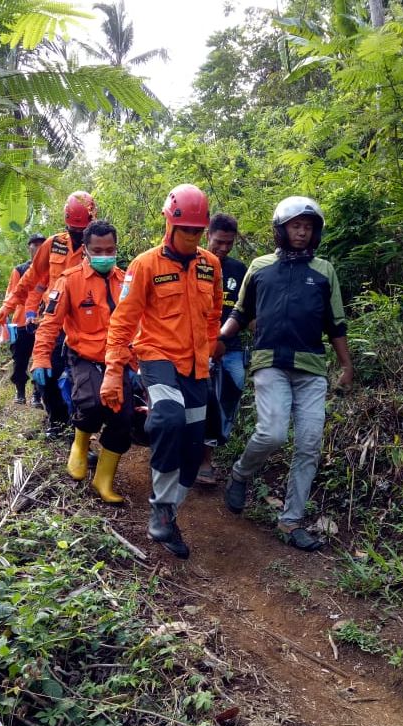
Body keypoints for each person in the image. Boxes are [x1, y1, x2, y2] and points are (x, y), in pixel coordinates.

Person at [217, 196, 354, 551]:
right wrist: (217, 341)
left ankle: (291, 521)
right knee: (273, 433)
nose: (302, 232)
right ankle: (241, 473)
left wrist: (346, 365)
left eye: (308, 227)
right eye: (295, 226)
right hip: (269, 363)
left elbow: (335, 323)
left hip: (311, 369)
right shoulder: (261, 267)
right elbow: (241, 311)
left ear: (315, 233)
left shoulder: (324, 272)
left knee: (309, 444)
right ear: (281, 229)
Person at [100, 183, 223, 559]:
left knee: (193, 445)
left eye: (198, 231)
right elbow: (123, 320)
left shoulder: (210, 265)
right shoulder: (145, 265)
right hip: (156, 356)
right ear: (170, 225)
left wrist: (210, 343)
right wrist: (112, 368)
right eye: (186, 229)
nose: (192, 237)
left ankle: (167, 510)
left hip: (196, 365)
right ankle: (152, 431)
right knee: (168, 419)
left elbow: (215, 311)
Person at [32, 220, 130, 503]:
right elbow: (50, 323)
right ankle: (80, 443)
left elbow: (138, 322)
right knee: (91, 402)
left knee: (122, 417)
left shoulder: (125, 281)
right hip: (83, 355)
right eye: (97, 250)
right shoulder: (69, 280)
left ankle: (104, 480)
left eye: (109, 250)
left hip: (118, 358)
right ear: (85, 250)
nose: (104, 255)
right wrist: (40, 358)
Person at [0, 191, 97, 436]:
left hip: (85, 321)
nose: (78, 235)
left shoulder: (97, 247)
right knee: (45, 374)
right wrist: (10, 305)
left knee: (81, 378)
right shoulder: (53, 244)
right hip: (52, 319)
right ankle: (58, 422)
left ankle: (80, 427)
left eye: (82, 230)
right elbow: (32, 278)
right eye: (74, 230)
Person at [196, 213, 247, 486]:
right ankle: (202, 460)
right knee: (203, 398)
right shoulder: (195, 264)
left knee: (232, 390)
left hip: (230, 346)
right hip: (197, 345)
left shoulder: (240, 270)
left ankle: (211, 446)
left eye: (229, 243)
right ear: (208, 236)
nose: (224, 248)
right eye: (219, 242)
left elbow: (247, 310)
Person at [4, 232, 47, 406]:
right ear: (29, 247)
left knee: (42, 358)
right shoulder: (20, 270)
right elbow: (12, 295)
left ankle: (37, 394)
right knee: (20, 359)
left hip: (45, 322)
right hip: (22, 322)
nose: (38, 248)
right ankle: (20, 391)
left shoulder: (52, 268)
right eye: (34, 244)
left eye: (41, 244)